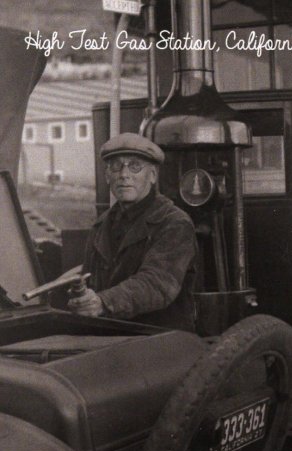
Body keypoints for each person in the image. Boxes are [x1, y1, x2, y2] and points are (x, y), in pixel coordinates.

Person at [67, 133, 198, 331]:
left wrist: (102, 302)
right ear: (107, 176)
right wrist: (82, 299)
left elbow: (157, 283)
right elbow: (89, 280)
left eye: (135, 166)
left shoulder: (174, 223)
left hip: (162, 340)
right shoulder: (101, 225)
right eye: (115, 166)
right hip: (112, 337)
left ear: (152, 175)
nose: (124, 174)